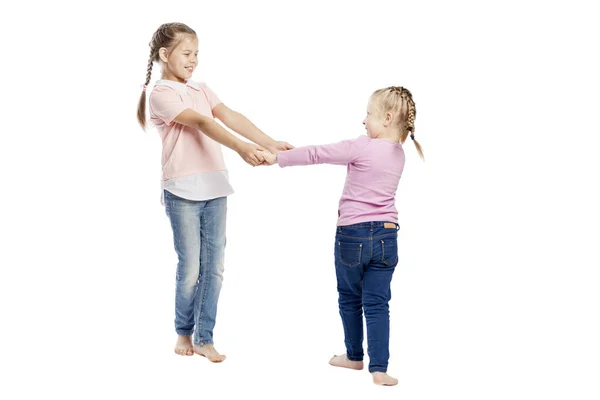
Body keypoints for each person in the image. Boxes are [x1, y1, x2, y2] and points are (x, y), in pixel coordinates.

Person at [136, 22, 292, 362]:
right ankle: (183, 331)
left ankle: (205, 338)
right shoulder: (162, 94)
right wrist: (241, 149)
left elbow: (229, 116)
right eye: (187, 53)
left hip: (215, 186)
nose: (193, 60)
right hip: (182, 190)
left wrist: (267, 142)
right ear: (165, 54)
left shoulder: (202, 89)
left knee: (215, 268)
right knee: (191, 267)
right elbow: (204, 123)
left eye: (197, 54)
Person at [261, 86, 423, 385]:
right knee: (377, 303)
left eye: (369, 114)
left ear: (387, 118)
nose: (364, 121)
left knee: (350, 298)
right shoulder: (399, 153)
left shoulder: (362, 146)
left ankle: (353, 356)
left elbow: (317, 153)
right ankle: (380, 369)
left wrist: (277, 158)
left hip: (353, 236)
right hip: (388, 237)